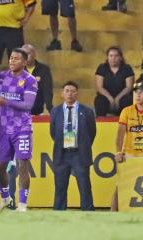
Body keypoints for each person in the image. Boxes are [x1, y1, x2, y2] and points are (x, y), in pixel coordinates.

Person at [0, 48, 37, 212]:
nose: (12, 61)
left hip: (22, 129)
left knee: (22, 164)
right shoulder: (2, 76)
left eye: (16, 59)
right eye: (10, 58)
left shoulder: (29, 80)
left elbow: (28, 105)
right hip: (3, 129)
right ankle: (5, 198)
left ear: (24, 62)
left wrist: (5, 102)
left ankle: (22, 204)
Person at [50, 81, 96, 211]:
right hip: (62, 153)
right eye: (67, 90)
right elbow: (53, 133)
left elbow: (91, 132)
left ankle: (88, 212)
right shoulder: (55, 111)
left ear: (77, 93)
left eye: (72, 91)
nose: (70, 93)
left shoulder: (86, 111)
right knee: (60, 187)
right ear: (62, 94)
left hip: (79, 153)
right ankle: (59, 213)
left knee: (84, 186)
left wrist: (82, 146)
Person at [111, 81, 143, 211]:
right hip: (129, 155)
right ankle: (111, 215)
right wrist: (118, 152)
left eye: (142, 92)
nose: (138, 95)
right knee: (120, 185)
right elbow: (120, 134)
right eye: (136, 92)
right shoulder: (127, 111)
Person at [0, 0, 36, 66]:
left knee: (17, 60)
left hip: (14, 29)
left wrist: (26, 18)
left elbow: (32, 4)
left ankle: (14, 76)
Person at [94, 46, 134, 116]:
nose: (113, 58)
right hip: (106, 96)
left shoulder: (127, 68)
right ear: (107, 57)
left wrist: (117, 99)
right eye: (111, 56)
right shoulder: (102, 68)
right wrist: (110, 98)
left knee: (128, 100)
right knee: (99, 101)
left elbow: (128, 87)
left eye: (116, 56)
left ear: (121, 58)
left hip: (122, 96)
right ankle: (101, 123)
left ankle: (125, 122)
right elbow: (99, 87)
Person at [22, 44, 54, 115]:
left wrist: (50, 108)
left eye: (28, 54)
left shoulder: (44, 69)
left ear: (34, 54)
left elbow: (47, 90)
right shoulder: (18, 70)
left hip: (38, 110)